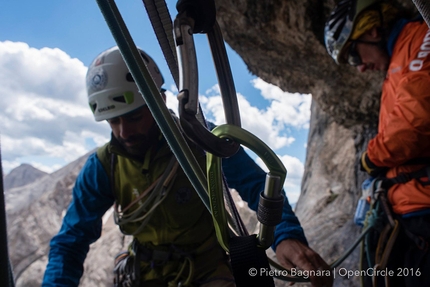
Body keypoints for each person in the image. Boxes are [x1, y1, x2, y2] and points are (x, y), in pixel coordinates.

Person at [42, 46, 333, 287]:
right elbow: (71, 239)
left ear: (159, 100)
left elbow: (256, 184)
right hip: (145, 275)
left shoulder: (201, 140)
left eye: (132, 117)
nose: (123, 132)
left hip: (208, 271)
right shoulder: (105, 165)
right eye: (112, 121)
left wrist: (285, 236)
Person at [325, 0, 430, 286]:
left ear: (371, 31)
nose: (359, 69)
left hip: (423, 213)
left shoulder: (421, 38)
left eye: (354, 56)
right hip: (406, 214)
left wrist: (370, 158)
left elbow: (415, 124)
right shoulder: (398, 61)